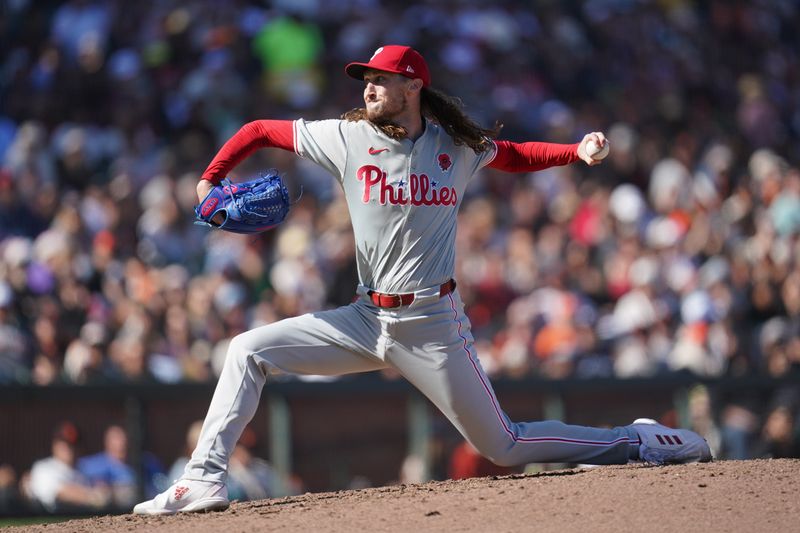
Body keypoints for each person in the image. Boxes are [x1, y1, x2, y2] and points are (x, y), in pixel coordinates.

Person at [134, 45, 711, 515]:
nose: (367, 88)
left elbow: (511, 154)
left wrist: (573, 152)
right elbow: (260, 128)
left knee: (503, 445)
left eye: (380, 79)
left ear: (413, 87)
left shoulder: (452, 147)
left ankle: (637, 441)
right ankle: (204, 481)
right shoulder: (346, 137)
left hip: (433, 324)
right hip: (364, 318)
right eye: (365, 79)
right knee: (246, 351)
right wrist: (210, 179)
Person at [26, 421, 110, 512]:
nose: (69, 449)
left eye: (73, 445)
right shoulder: (43, 468)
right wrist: (93, 496)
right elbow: (61, 493)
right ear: (55, 445)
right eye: (65, 444)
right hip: (49, 519)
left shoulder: (82, 470)